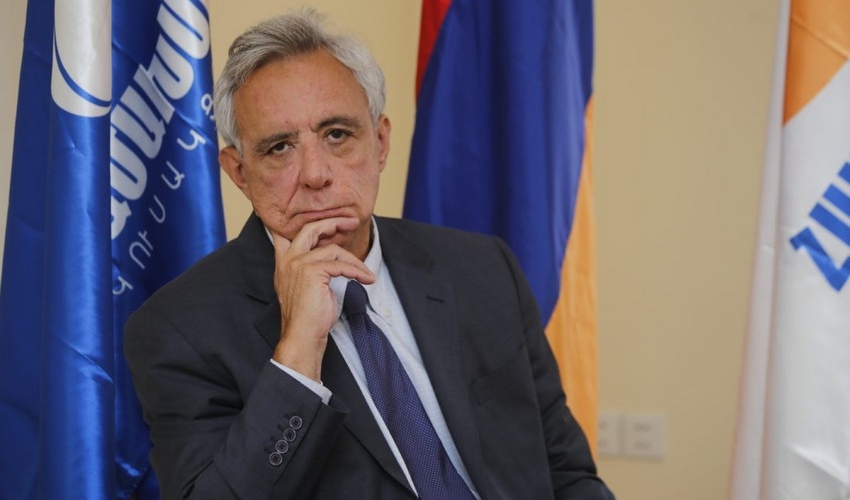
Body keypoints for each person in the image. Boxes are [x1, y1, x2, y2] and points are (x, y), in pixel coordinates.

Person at [124, 9, 615, 500]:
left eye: (337, 135)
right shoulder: (178, 330)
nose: (315, 174)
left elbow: (566, 472)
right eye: (279, 148)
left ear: (380, 143)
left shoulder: (483, 269)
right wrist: (297, 357)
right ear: (239, 173)